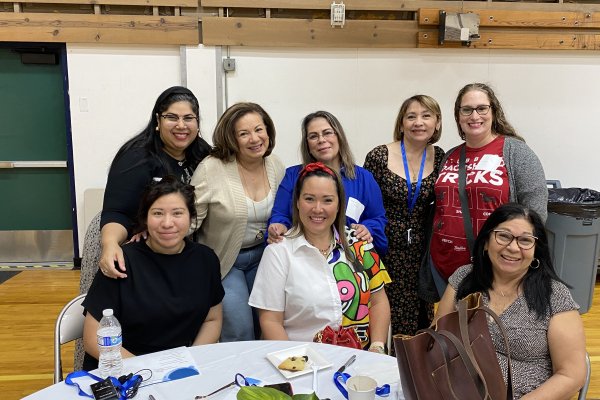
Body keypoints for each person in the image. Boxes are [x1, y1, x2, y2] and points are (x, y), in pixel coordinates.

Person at [435, 203, 586, 399]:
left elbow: (571, 375)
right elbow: (437, 338)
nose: (513, 248)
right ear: (486, 242)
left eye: (525, 240)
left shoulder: (554, 295)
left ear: (535, 251)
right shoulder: (464, 278)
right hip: (453, 391)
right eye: (504, 236)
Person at [82, 176, 224, 370]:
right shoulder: (122, 261)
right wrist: (149, 369)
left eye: (177, 213)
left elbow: (212, 319)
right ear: (145, 218)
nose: (167, 223)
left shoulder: (205, 260)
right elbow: (92, 338)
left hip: (179, 370)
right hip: (124, 369)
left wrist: (191, 362)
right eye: (157, 213)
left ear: (191, 217)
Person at [250, 162, 391, 352]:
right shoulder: (278, 252)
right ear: (297, 203)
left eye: (327, 200)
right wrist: (296, 363)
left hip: (359, 360)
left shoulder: (359, 243)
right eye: (309, 199)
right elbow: (270, 321)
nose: (318, 209)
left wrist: (377, 347)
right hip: (302, 362)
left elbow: (379, 301)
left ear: (339, 204)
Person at [428, 83, 547, 298]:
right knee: (452, 329)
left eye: (482, 108)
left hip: (495, 267)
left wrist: (516, 253)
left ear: (493, 111)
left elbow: (535, 213)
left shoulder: (516, 152)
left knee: (488, 329)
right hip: (444, 265)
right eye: (467, 110)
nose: (475, 116)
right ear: (458, 116)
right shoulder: (451, 156)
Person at [94, 86, 211, 280]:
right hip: (129, 239)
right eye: (172, 117)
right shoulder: (136, 158)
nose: (181, 125)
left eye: (188, 118)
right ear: (158, 120)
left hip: (179, 244)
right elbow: (118, 212)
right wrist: (110, 244)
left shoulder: (204, 155)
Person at [190, 102, 285, 342]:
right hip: (224, 261)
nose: (254, 139)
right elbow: (189, 220)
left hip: (266, 257)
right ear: (231, 139)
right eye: (244, 134)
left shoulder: (275, 165)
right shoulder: (211, 169)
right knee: (239, 330)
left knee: (267, 327)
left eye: (259, 129)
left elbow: (287, 212)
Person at [364, 95, 445, 337]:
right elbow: (364, 204)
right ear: (401, 123)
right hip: (384, 245)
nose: (418, 122)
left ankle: (411, 367)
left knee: (418, 313)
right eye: (411, 116)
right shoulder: (379, 156)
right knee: (381, 308)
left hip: (421, 248)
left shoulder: (440, 157)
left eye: (426, 116)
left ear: (437, 123)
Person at [267, 111, 388, 255]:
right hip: (303, 256)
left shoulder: (364, 178)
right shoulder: (293, 176)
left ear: (339, 136)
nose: (321, 140)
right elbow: (280, 215)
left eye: (327, 133)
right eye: (313, 136)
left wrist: (368, 228)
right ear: (307, 144)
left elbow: (377, 218)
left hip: (350, 259)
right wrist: (278, 227)